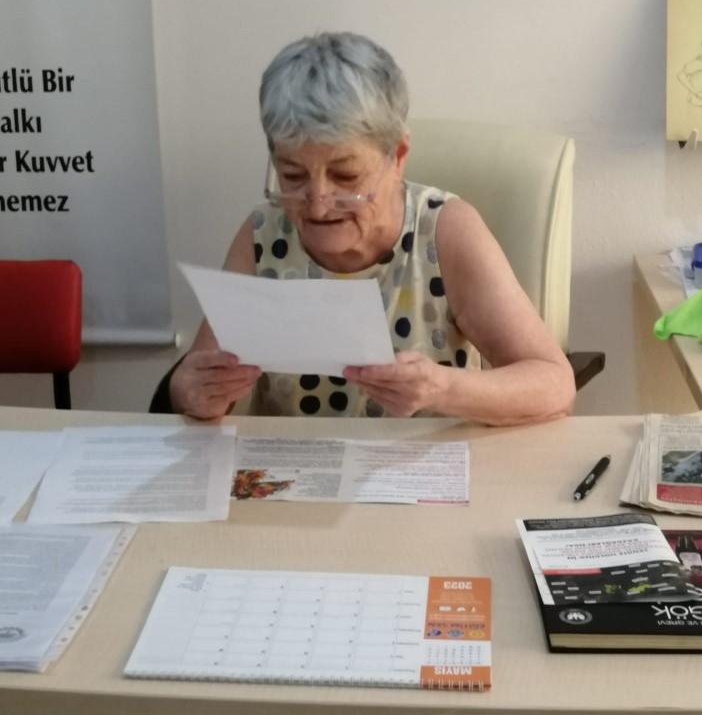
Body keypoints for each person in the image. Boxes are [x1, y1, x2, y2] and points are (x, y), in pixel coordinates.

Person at [158, 31, 576, 425]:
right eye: (293, 176)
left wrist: (443, 388)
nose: (318, 205)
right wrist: (191, 392)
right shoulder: (262, 235)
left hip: (428, 467)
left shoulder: (444, 231)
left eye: (345, 176)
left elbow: (554, 384)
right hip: (294, 473)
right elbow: (197, 385)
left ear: (398, 157)